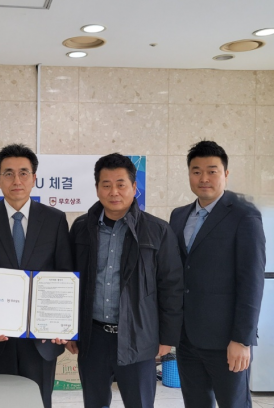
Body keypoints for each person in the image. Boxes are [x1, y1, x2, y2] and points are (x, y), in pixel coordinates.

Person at [66, 153, 184, 408]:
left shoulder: (158, 230)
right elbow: (70, 281)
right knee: (94, 403)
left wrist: (168, 337)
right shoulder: (81, 228)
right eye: (106, 185)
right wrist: (69, 330)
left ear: (134, 187)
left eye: (121, 184)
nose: (114, 192)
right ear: (97, 188)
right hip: (93, 337)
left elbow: (171, 286)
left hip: (139, 336)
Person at [0, 143, 73, 408]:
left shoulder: (55, 219)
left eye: (23, 173)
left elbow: (64, 274)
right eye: (8, 173)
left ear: (34, 178)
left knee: (39, 401)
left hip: (41, 338)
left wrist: (61, 325)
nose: (17, 180)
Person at [170, 140, 266, 408]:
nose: (204, 178)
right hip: (186, 338)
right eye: (196, 171)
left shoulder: (244, 215)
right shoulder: (178, 216)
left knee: (234, 404)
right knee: (195, 403)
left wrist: (242, 340)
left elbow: (252, 282)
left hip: (227, 340)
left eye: (212, 171)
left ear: (225, 173)